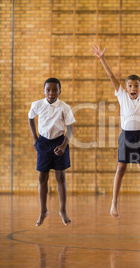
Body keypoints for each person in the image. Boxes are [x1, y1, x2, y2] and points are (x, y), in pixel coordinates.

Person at [91, 44, 140, 218]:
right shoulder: (121, 95)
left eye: (136, 85)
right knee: (121, 169)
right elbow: (111, 76)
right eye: (130, 86)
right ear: (126, 88)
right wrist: (102, 58)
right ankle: (114, 202)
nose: (133, 88)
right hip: (126, 136)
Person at [28, 78, 75, 226]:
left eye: (55, 90)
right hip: (43, 142)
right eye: (48, 90)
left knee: (60, 177)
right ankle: (43, 211)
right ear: (44, 91)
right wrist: (35, 137)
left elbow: (70, 128)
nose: (51, 93)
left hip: (59, 142)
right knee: (42, 177)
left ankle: (63, 210)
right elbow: (30, 118)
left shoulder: (64, 107)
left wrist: (63, 145)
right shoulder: (37, 104)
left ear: (60, 91)